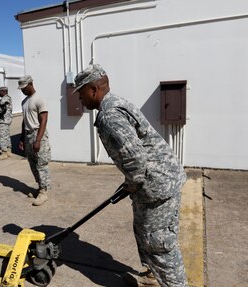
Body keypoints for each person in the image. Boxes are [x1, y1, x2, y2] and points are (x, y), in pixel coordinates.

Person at [73, 64, 188, 287]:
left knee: (159, 245)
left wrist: (131, 184)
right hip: (159, 181)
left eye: (81, 92)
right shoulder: (117, 101)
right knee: (148, 235)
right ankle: (153, 277)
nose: (79, 98)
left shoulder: (109, 116)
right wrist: (130, 185)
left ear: (94, 90)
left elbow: (136, 162)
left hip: (156, 185)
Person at [18, 75, 51, 206]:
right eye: (21, 89)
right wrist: (21, 138)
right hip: (28, 135)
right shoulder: (24, 102)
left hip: (38, 135)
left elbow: (44, 120)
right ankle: (40, 187)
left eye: (24, 88)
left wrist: (38, 140)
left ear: (31, 83)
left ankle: (44, 192)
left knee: (41, 164)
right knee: (32, 164)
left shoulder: (39, 99)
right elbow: (24, 120)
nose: (22, 90)